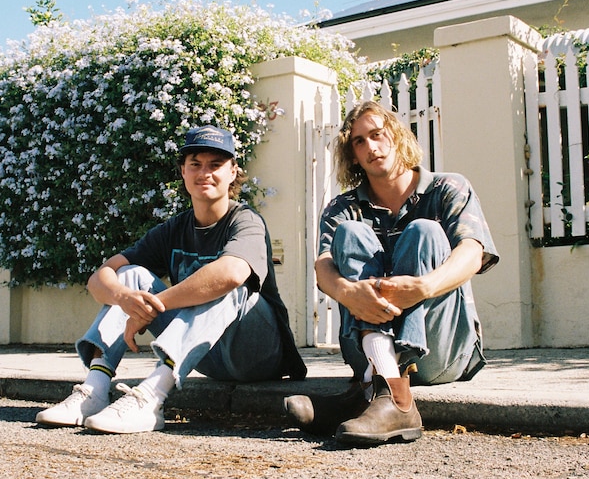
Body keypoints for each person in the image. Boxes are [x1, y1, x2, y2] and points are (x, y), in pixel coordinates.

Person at [37, 125, 306, 433]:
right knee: (130, 275)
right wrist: (127, 299)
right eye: (195, 164)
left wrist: (151, 307)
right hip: (205, 354)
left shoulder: (245, 221)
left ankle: (150, 398)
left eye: (215, 164)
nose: (205, 173)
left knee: (228, 285)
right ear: (183, 172)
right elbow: (101, 277)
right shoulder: (173, 230)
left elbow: (230, 274)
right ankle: (95, 389)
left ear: (233, 172)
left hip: (258, 354)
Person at [284, 101, 498, 446]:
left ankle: (365, 393)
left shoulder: (448, 188)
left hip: (439, 350)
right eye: (359, 142)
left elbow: (473, 253)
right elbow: (323, 267)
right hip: (364, 347)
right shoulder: (343, 208)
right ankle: (389, 390)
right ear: (352, 154)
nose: (371, 147)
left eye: (377, 135)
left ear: (396, 137)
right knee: (350, 234)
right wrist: (346, 292)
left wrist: (423, 287)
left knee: (424, 231)